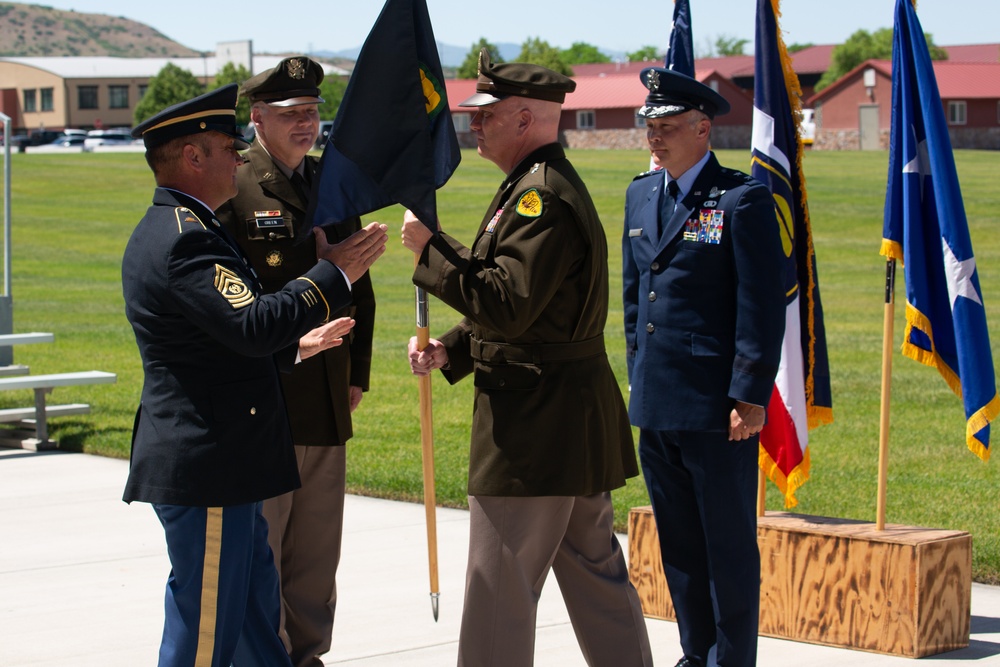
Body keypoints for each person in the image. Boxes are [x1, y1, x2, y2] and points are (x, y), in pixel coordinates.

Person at [121, 84, 388, 667]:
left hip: (230, 462)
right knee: (207, 631)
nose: (239, 158)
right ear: (194, 158)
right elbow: (254, 324)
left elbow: (222, 342)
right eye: (227, 147)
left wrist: (295, 348)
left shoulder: (196, 229)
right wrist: (333, 271)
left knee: (254, 624)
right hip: (210, 464)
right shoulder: (185, 241)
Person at [401, 49, 653, 667]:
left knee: (498, 591)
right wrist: (451, 347)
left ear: (523, 119)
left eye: (486, 115)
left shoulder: (539, 197)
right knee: (598, 582)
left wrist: (432, 251)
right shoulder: (534, 187)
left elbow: (508, 302)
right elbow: (537, 312)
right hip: (567, 421)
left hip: (534, 430)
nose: (474, 125)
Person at [622, 67, 786, 667]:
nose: (655, 139)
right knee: (681, 547)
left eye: (666, 128)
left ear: (702, 129)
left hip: (718, 408)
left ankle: (731, 660)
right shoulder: (641, 193)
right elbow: (636, 298)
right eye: (650, 127)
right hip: (658, 402)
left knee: (727, 546)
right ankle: (697, 654)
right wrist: (639, 375)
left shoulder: (741, 199)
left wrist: (749, 393)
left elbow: (761, 306)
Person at [216, 56, 376, 667]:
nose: (306, 124)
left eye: (312, 113)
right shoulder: (238, 185)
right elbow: (234, 297)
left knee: (315, 557)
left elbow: (357, 283)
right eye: (291, 115)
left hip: (326, 394)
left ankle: (307, 657)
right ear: (257, 118)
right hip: (269, 395)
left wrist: (356, 373)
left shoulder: (330, 184)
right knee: (267, 550)